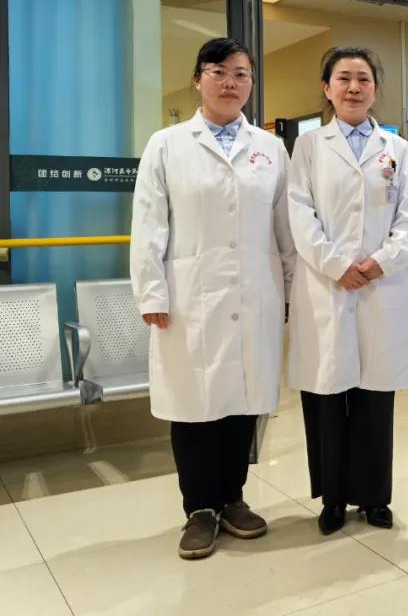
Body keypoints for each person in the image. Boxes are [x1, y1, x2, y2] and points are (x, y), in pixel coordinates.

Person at [130, 38, 295, 560]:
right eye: (219, 71)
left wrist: (291, 291)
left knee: (243, 402)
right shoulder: (167, 145)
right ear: (198, 79)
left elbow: (285, 228)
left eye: (241, 74)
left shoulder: (270, 149)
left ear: (251, 84)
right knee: (194, 406)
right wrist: (151, 291)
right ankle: (199, 509)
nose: (230, 82)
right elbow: (148, 225)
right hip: (189, 299)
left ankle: (233, 499)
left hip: (255, 292)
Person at [286, 47, 408, 535]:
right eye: (343, 78)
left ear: (375, 90)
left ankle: (375, 497)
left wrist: (382, 261)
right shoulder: (308, 147)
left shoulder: (397, 149)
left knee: (375, 397)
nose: (354, 87)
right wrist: (337, 265)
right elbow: (299, 213)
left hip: (380, 287)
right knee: (327, 396)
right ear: (327, 88)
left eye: (363, 78)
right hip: (326, 286)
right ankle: (333, 499)